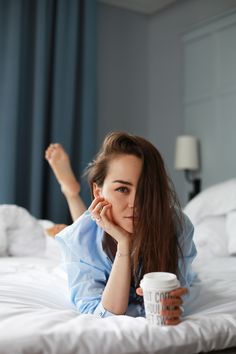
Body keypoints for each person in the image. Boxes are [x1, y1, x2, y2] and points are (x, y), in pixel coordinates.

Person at [46, 132, 196, 325]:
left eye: (145, 191)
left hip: (101, 226)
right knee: (83, 230)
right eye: (122, 189)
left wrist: (175, 302)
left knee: (89, 227)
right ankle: (71, 192)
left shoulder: (178, 226)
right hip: (89, 232)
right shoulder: (79, 238)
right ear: (98, 191)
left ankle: (73, 194)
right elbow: (104, 315)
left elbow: (177, 293)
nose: (135, 203)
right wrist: (124, 245)